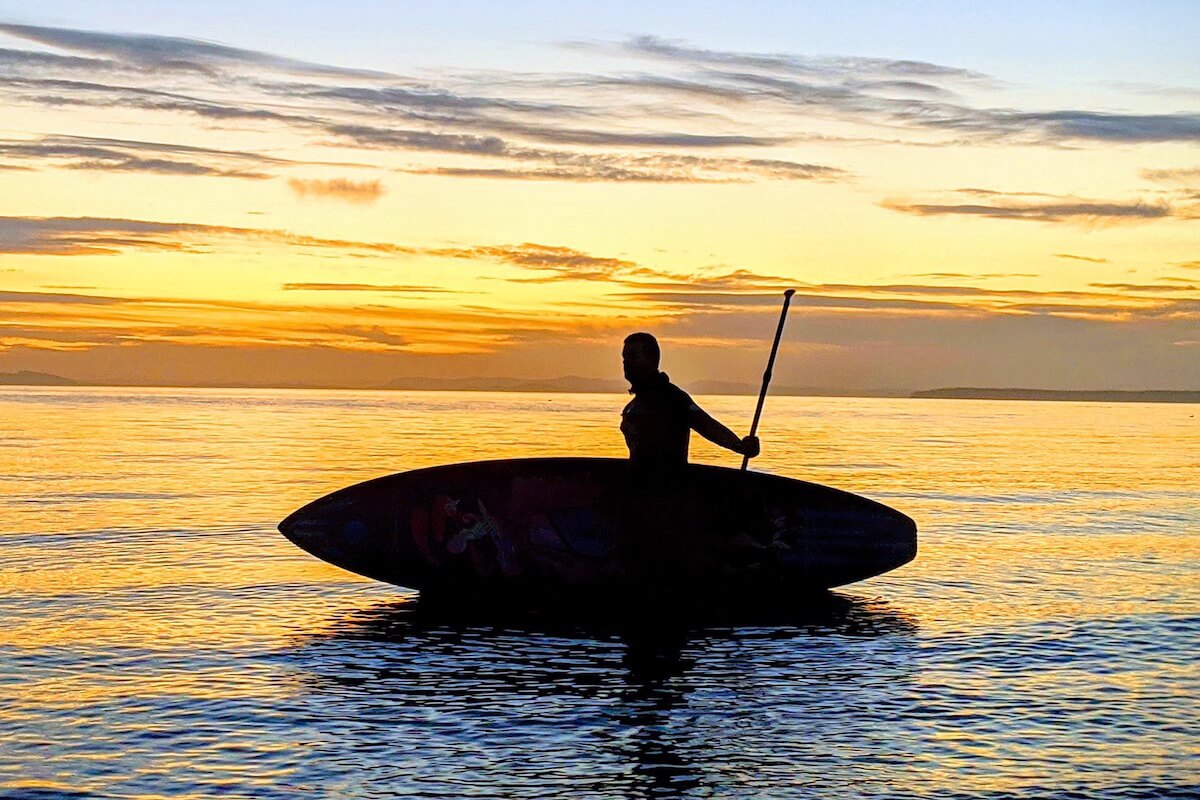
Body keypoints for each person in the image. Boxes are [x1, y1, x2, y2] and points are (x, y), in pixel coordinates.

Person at [620, 332, 759, 474]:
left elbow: (707, 425)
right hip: (638, 488)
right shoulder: (633, 405)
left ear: (650, 359)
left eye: (632, 356)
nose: (626, 363)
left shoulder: (673, 399)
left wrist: (740, 446)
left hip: (667, 487)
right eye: (624, 358)